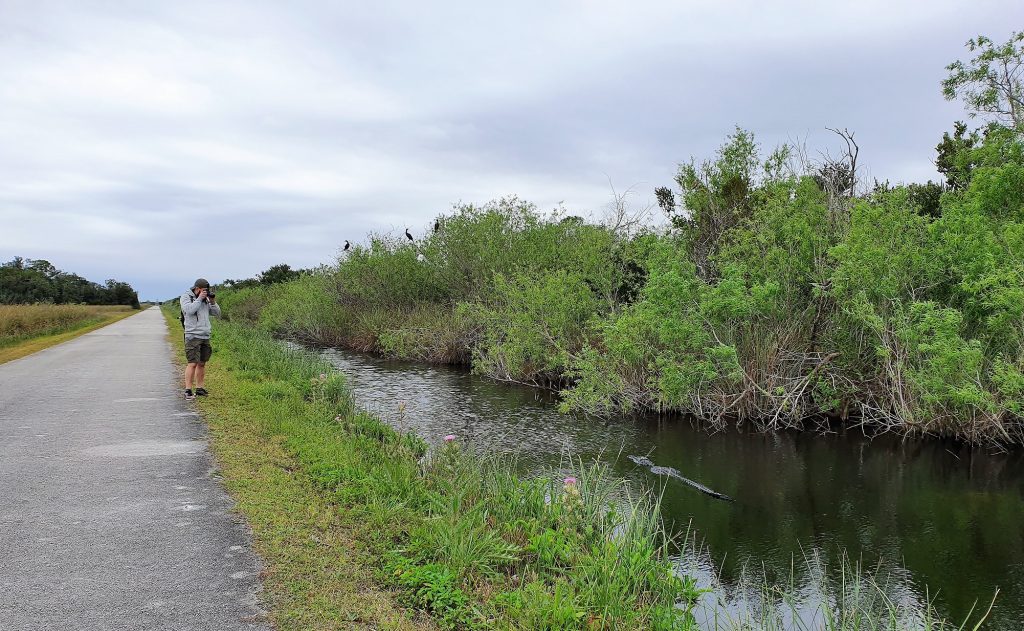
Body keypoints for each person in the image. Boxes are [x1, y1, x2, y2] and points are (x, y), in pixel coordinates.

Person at [180, 278, 221, 400]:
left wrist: (212, 302)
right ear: (197, 289)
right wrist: (199, 299)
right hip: (192, 335)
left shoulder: (206, 299)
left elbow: (217, 314)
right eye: (203, 290)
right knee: (192, 363)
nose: (205, 293)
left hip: (205, 335)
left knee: (202, 363)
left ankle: (199, 388)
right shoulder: (186, 297)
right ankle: (188, 390)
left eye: (206, 291)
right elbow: (189, 310)